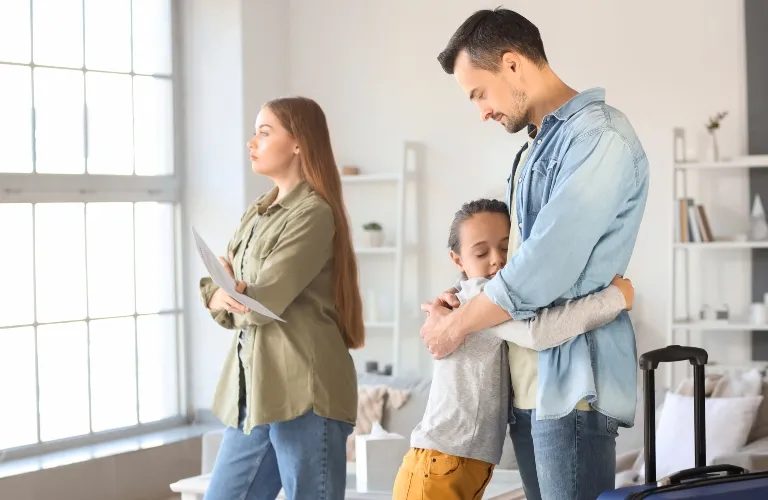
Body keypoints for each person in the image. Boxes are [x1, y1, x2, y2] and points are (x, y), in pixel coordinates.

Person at [420, 8, 650, 500]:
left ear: (511, 64)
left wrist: (457, 325)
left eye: (478, 92)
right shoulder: (535, 149)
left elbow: (544, 268)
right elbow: (514, 268)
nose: (480, 110)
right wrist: (467, 296)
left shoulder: (598, 137)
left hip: (571, 391)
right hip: (529, 389)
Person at [393, 199, 634, 500]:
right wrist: (614, 299)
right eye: (481, 252)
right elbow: (540, 332)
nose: (497, 260)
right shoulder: (479, 301)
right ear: (457, 260)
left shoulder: (461, 298)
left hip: (453, 465)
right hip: (440, 466)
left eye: (506, 249)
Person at [198, 96, 364, 500]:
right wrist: (219, 294)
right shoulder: (257, 212)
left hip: (306, 394)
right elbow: (222, 286)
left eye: (264, 132)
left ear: (297, 143)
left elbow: (260, 302)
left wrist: (226, 295)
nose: (252, 142)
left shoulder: (313, 213)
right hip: (255, 393)